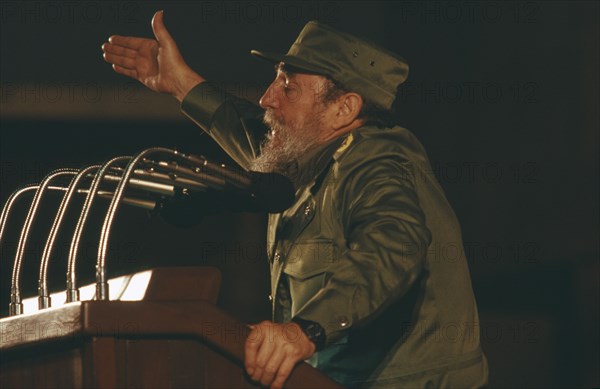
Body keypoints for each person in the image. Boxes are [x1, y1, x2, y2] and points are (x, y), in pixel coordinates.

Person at [102, 11, 488, 389]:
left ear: (344, 108)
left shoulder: (378, 161)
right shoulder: (310, 156)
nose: (267, 98)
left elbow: (395, 244)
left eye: (288, 87)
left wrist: (304, 331)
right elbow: (253, 136)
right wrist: (180, 82)